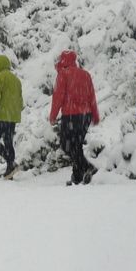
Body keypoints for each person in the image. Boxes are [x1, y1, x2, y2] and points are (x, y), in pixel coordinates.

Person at [49, 50, 99, 185]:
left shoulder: (63, 75)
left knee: (67, 145)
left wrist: (53, 116)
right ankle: (77, 176)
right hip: (85, 116)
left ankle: (87, 167)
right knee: (76, 145)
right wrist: (95, 114)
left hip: (71, 115)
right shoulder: (85, 74)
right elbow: (92, 96)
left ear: (62, 61)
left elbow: (58, 97)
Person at [0, 54, 24, 179]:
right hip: (12, 116)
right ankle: (10, 167)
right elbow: (20, 100)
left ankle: (10, 163)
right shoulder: (16, 80)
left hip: (0, 115)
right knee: (8, 141)